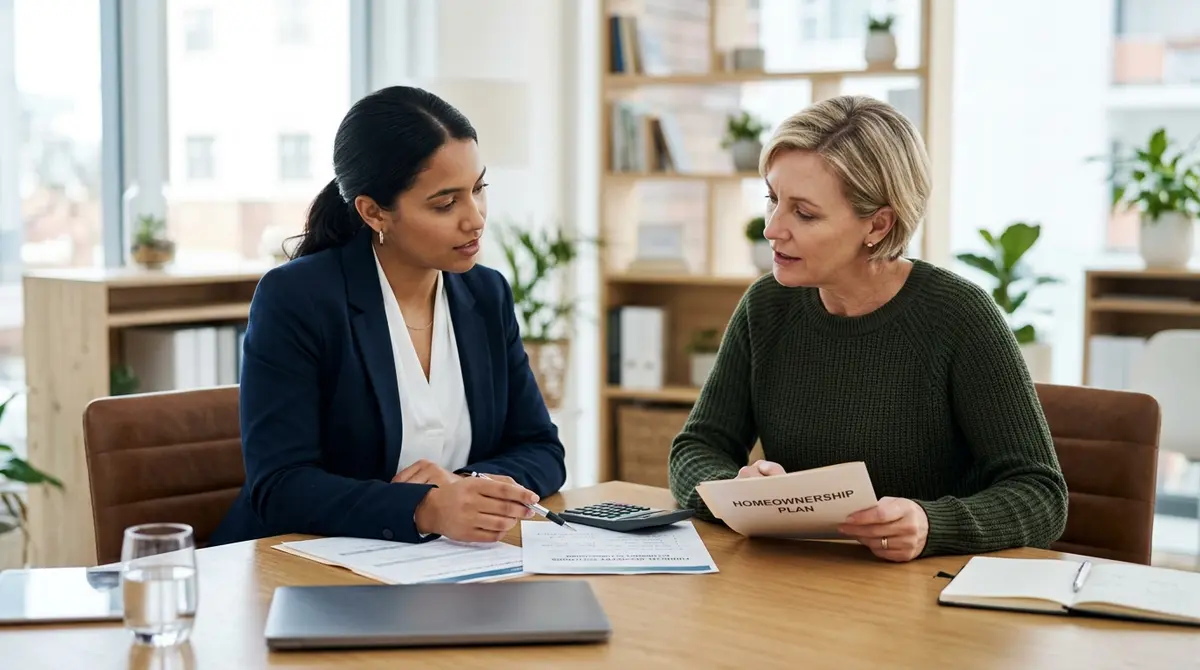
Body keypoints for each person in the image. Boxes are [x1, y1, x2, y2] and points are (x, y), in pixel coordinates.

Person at [667, 95, 1068, 562]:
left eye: (804, 213)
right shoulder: (767, 305)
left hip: (921, 601)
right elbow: (698, 446)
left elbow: (1041, 495)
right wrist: (731, 490)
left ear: (878, 224)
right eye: (773, 200)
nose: (772, 229)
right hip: (794, 580)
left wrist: (931, 523)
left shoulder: (960, 317)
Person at [210, 86, 567, 547]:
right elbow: (279, 486)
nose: (475, 218)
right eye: (445, 203)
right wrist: (424, 507)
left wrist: (467, 484)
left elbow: (542, 449)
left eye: (478, 189)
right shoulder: (298, 298)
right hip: (305, 574)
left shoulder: (486, 293)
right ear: (374, 212)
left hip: (444, 570)